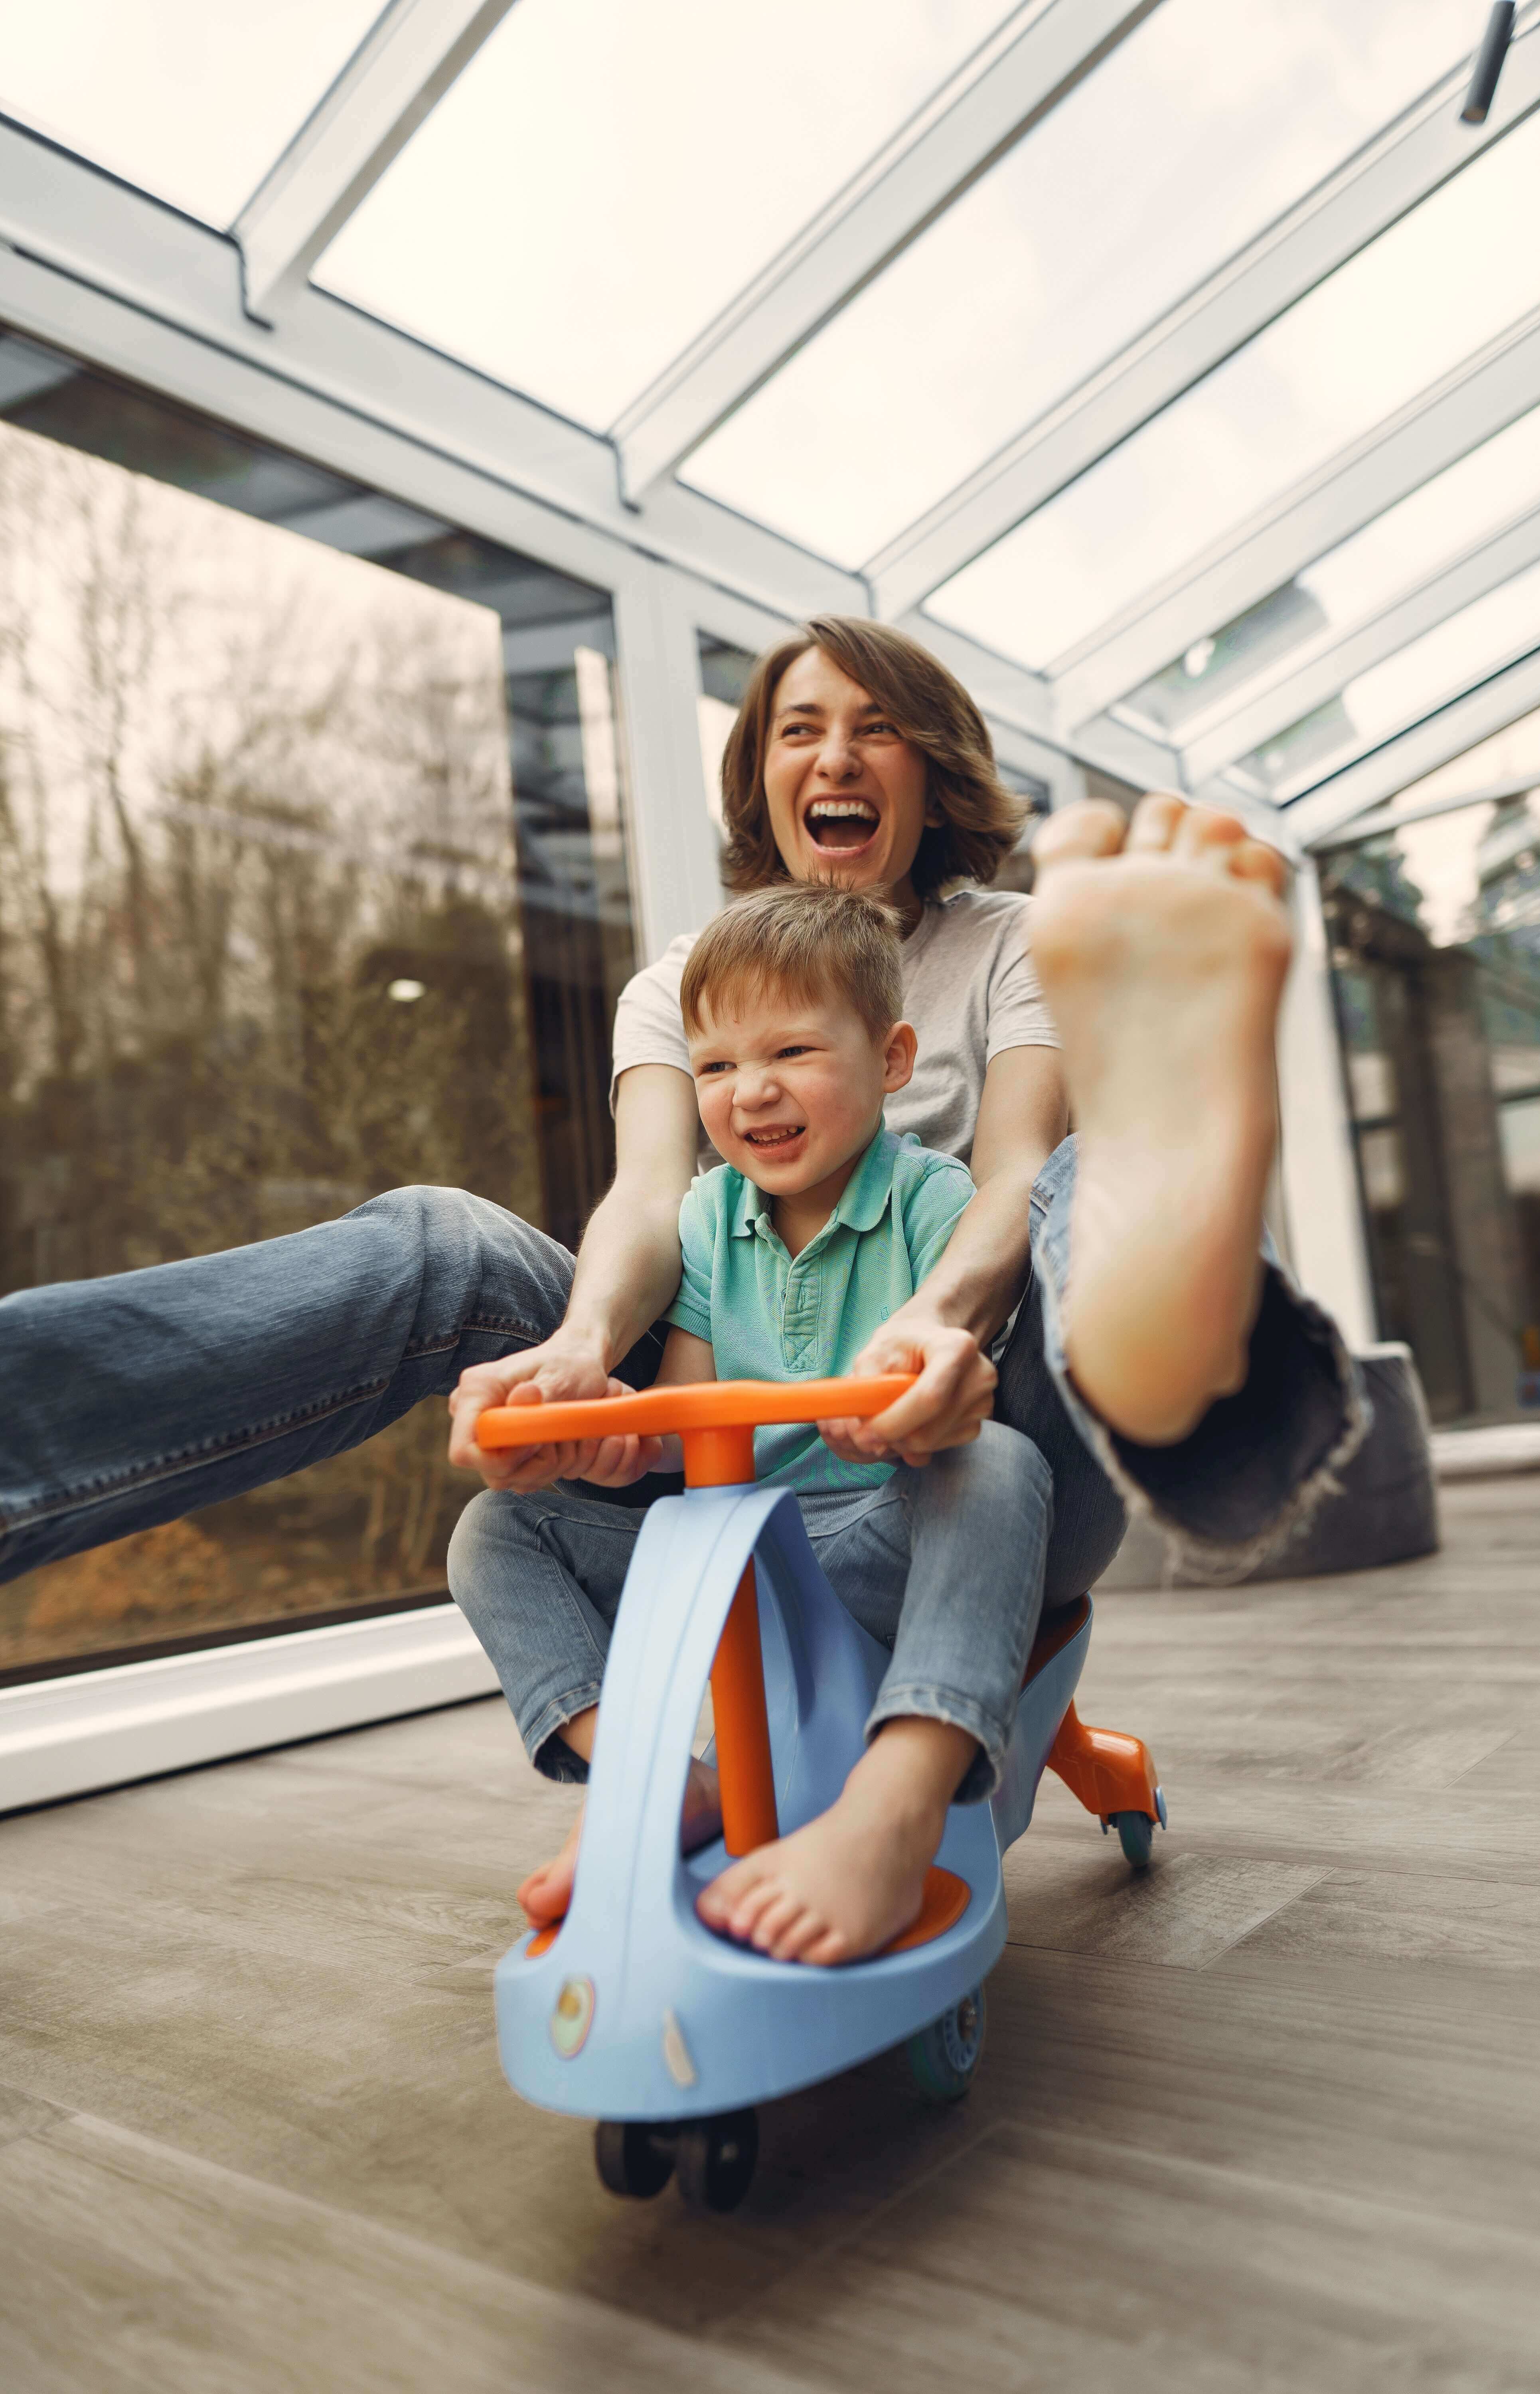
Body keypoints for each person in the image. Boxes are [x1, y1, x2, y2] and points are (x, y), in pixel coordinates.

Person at [2, 616, 1371, 1866]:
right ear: (762, 778)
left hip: (979, 1424)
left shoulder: (1024, 941)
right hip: (742, 1443)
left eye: (875, 726)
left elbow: (1009, 1168)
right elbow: (653, 1201)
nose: (835, 754)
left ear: (933, 770)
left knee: (1087, 1171)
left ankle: (1187, 1366)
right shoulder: (677, 989)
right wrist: (587, 1360)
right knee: (441, 1243)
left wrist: (940, 1326)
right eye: (798, 727)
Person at [447, 881, 1053, 1967]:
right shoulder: (704, 1218)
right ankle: (651, 1782)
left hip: (870, 1538)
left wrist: (915, 1424)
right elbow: (685, 1419)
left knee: (1002, 1470)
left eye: (792, 1054)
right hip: (724, 1547)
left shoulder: (932, 1204)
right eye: (717, 1067)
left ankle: (899, 1801)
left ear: (895, 1058)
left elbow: (959, 1398)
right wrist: (624, 1437)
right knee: (496, 1534)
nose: (751, 1093)